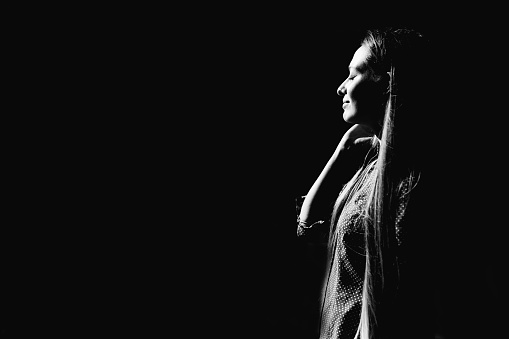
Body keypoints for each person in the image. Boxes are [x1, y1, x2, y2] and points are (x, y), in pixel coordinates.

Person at [297, 28, 440, 339]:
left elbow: (409, 298)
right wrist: (341, 153)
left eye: (353, 75)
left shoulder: (410, 181)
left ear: (387, 81)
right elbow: (306, 229)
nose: (340, 88)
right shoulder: (367, 166)